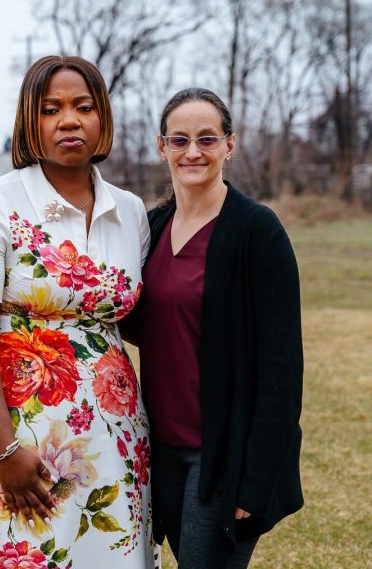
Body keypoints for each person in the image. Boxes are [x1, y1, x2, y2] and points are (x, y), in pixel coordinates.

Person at [0, 56, 156, 568]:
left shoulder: (131, 210)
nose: (69, 120)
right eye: (51, 109)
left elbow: (131, 316)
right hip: (13, 434)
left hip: (113, 435)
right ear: (30, 122)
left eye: (83, 107)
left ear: (103, 119)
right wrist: (6, 452)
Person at [134, 87, 303, 567]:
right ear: (160, 146)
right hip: (158, 446)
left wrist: (257, 478)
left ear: (229, 145)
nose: (192, 152)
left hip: (223, 452)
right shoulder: (151, 228)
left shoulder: (257, 230)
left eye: (207, 140)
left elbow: (282, 367)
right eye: (180, 139)